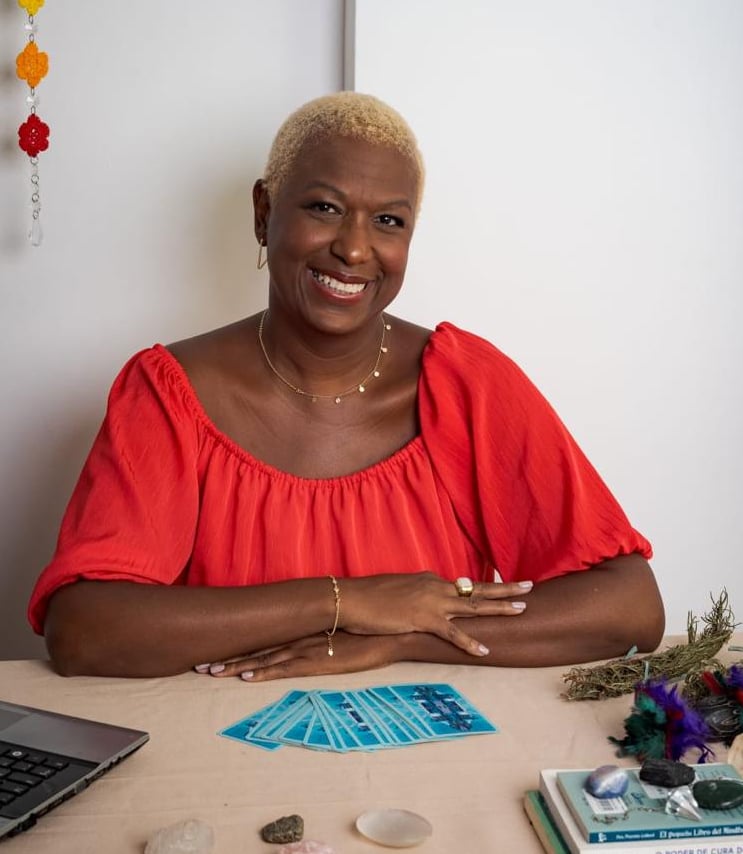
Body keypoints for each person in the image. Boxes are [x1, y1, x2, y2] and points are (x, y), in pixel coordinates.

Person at [28, 92, 665, 681]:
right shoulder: (171, 394)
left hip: (442, 752)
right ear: (264, 213)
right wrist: (347, 602)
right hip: (219, 751)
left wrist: (401, 638)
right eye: (325, 208)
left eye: (388, 220)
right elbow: (84, 632)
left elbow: (629, 607)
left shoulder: (465, 384)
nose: (356, 249)